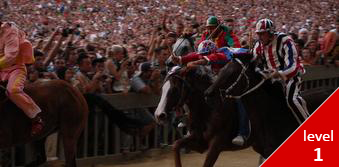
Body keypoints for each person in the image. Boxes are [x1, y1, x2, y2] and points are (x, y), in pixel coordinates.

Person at [172, 40, 251, 146]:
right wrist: (180, 59)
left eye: (204, 55)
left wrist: (196, 63)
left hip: (238, 83)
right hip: (221, 86)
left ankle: (243, 132)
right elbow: (195, 55)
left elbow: (212, 58)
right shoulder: (205, 54)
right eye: (201, 55)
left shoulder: (223, 53)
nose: (201, 57)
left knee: (239, 101)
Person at [252, 18, 309, 124]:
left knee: (292, 100)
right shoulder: (257, 46)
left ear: (270, 32)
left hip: (291, 76)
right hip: (271, 79)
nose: (259, 37)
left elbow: (293, 65)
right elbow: (255, 65)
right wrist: (263, 73)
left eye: (262, 34)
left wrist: (279, 73)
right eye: (258, 34)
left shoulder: (285, 40)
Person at [0, 21, 43, 136]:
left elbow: (11, 56)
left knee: (13, 91)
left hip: (15, 68)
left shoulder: (10, 32)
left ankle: (36, 118)